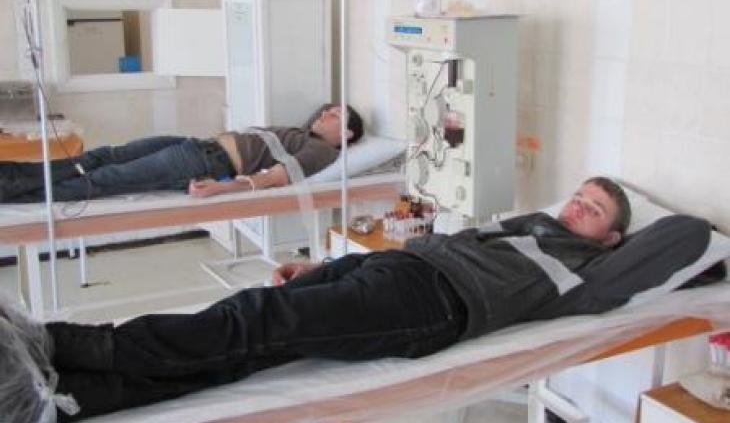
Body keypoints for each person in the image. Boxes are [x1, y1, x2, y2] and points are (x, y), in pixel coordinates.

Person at [0, 177, 712, 423]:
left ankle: (64, 343)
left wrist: (624, 236)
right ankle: (79, 395)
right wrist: (322, 268)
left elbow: (686, 235)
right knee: (252, 334)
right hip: (399, 269)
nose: (575, 206)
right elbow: (436, 244)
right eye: (578, 196)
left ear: (614, 238)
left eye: (594, 209)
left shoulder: (589, 269)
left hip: (436, 304)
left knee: (256, 323)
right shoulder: (525, 226)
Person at [0, 103, 364, 203]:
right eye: (327, 109)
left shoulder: (321, 151)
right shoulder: (301, 132)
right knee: (103, 155)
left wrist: (223, 188)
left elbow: (277, 177)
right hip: (195, 145)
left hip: (205, 162)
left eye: (335, 115)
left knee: (104, 179)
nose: (324, 114)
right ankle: (10, 175)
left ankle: (11, 191)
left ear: (346, 135)